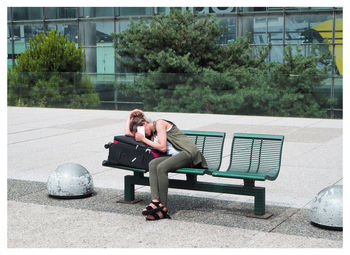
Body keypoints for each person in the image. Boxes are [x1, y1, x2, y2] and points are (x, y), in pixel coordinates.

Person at [125, 109, 208, 220]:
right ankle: (155, 201)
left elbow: (162, 147)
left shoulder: (160, 123)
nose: (139, 134)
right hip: (174, 157)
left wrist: (144, 139)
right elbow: (127, 133)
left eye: (139, 130)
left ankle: (163, 208)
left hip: (188, 153)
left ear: (144, 124)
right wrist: (130, 117)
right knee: (153, 164)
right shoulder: (151, 133)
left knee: (162, 167)